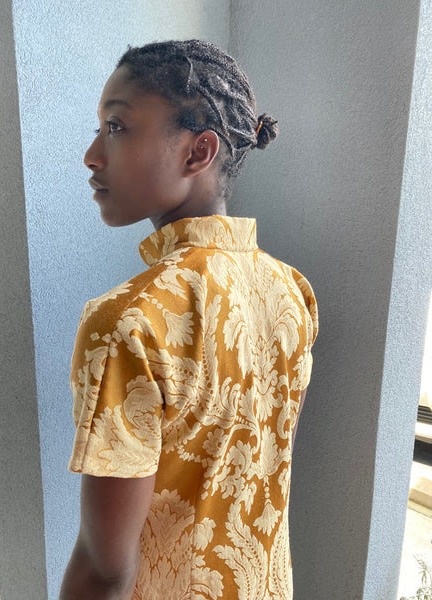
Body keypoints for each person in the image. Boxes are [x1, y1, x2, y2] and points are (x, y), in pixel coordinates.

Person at [60, 39, 318, 600]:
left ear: (198, 153)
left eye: (117, 128)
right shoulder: (291, 290)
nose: (92, 154)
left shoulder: (127, 321)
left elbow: (106, 567)